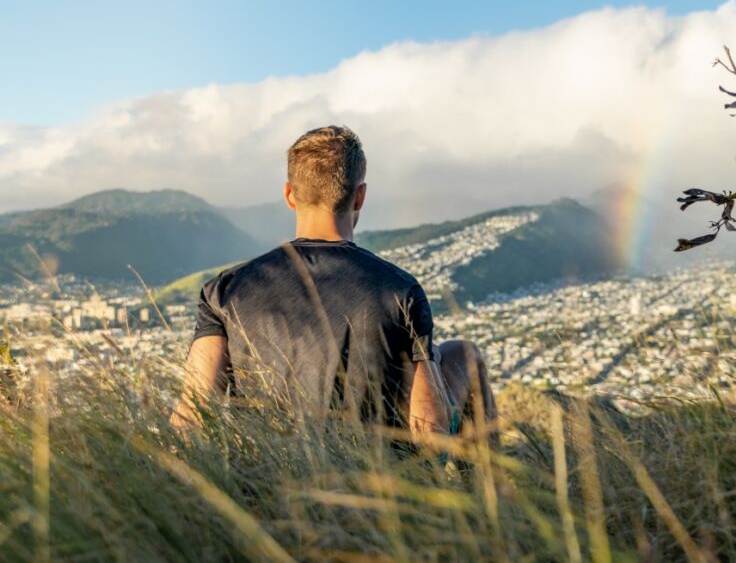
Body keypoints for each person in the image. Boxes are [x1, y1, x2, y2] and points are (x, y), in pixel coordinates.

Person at [170, 125, 496, 447]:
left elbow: (193, 414)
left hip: (268, 478)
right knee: (465, 354)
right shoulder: (400, 289)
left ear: (289, 195)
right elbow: (430, 428)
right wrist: (431, 360)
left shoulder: (225, 290)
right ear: (360, 196)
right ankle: (489, 495)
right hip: (383, 485)